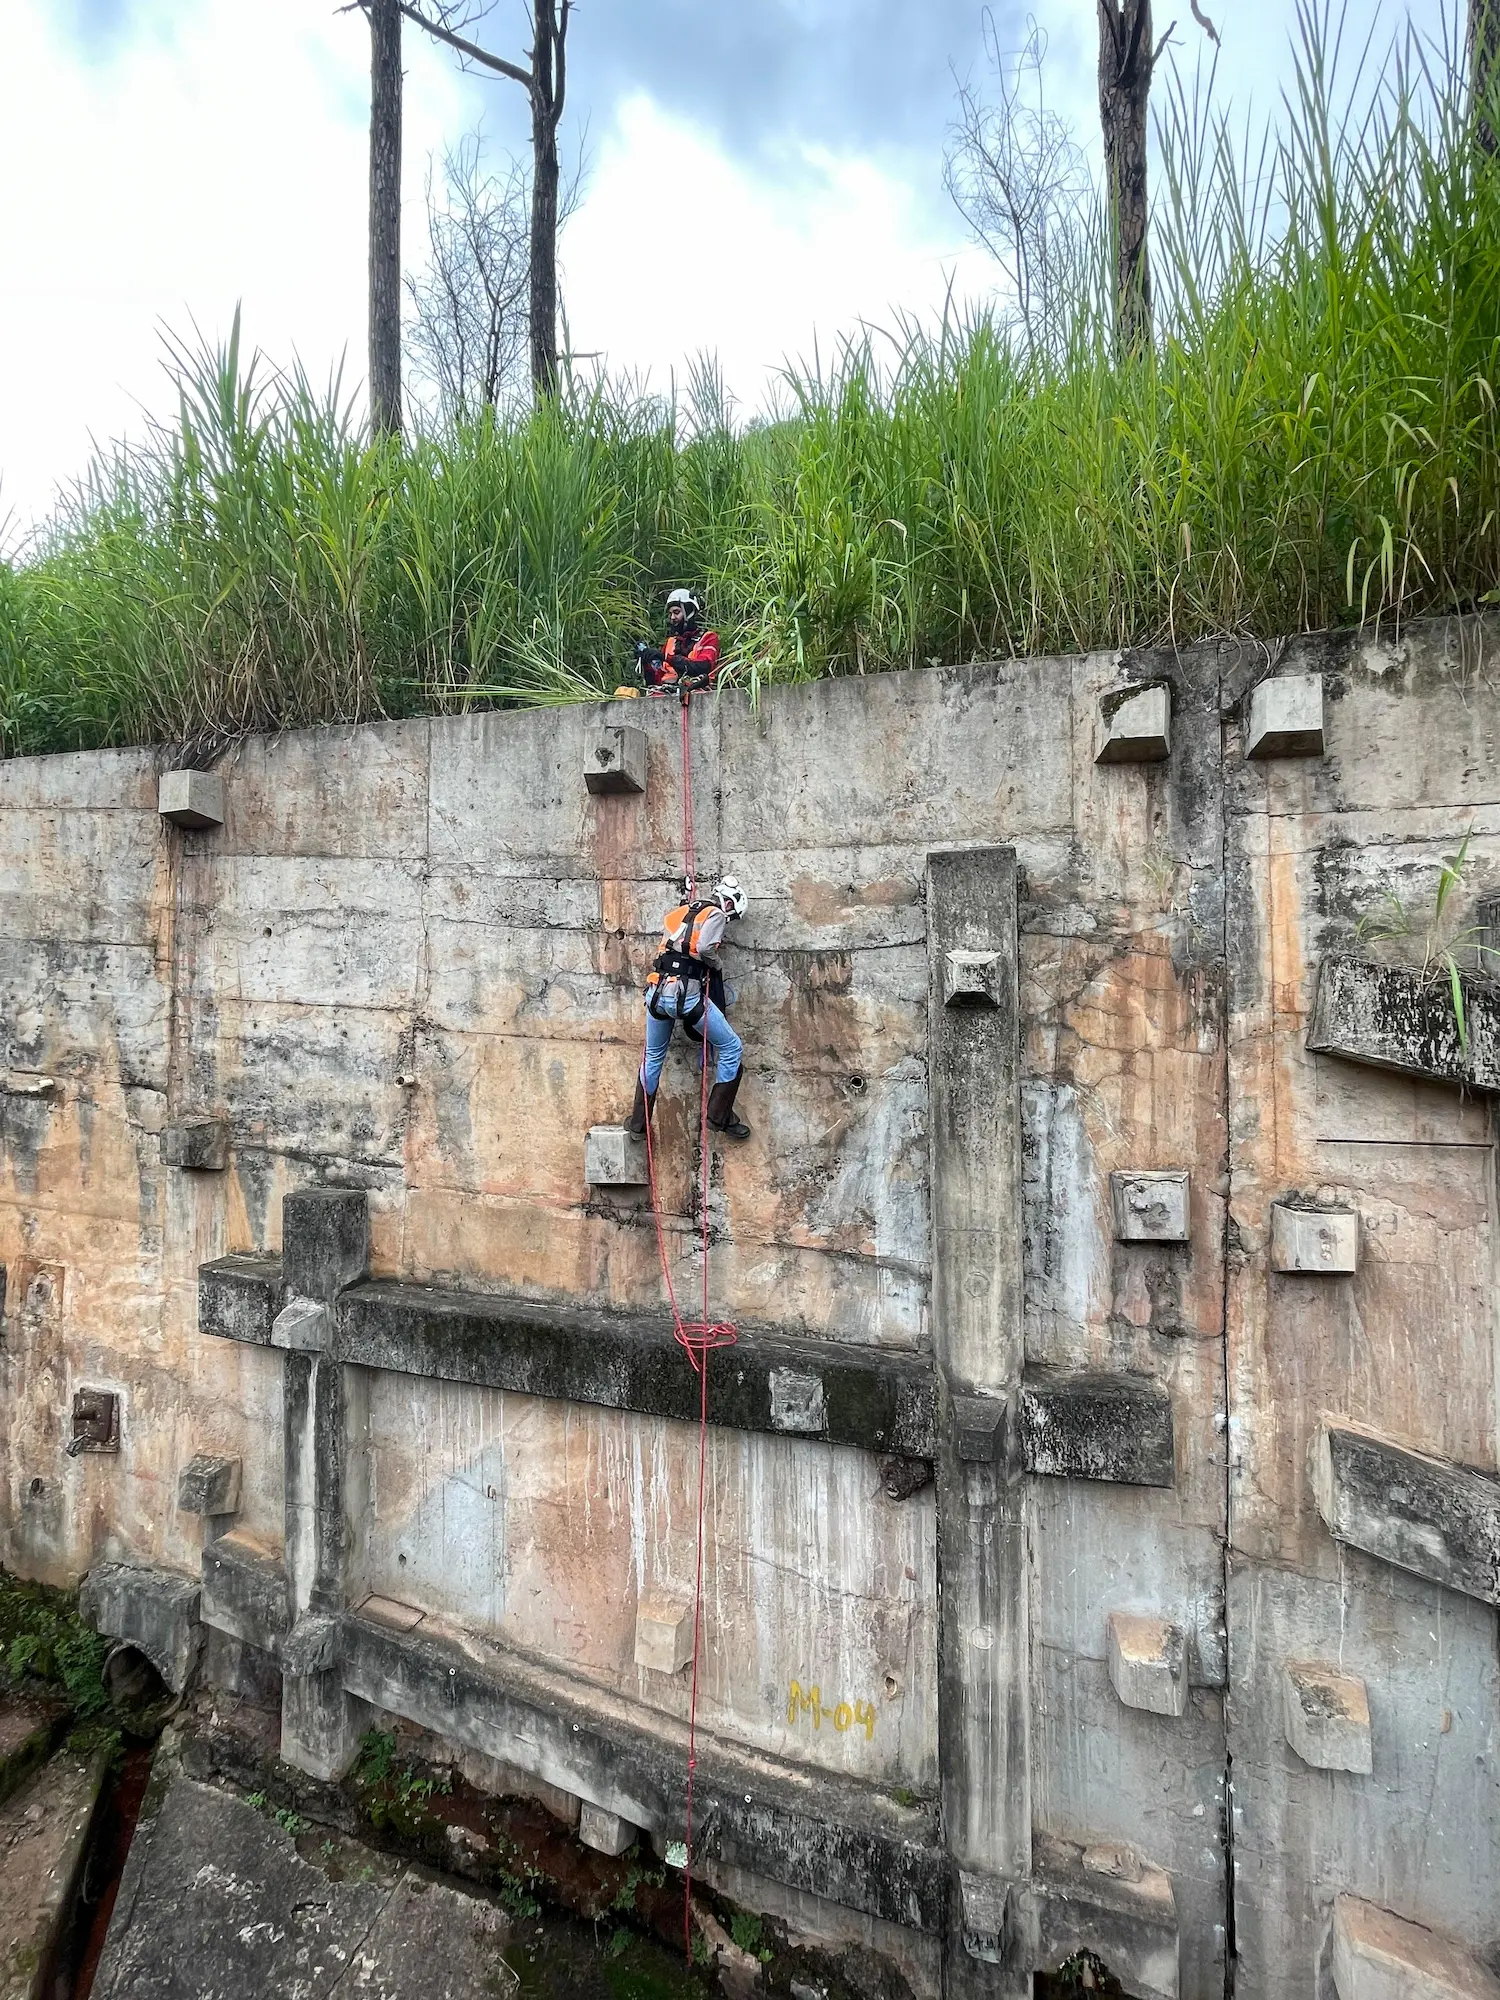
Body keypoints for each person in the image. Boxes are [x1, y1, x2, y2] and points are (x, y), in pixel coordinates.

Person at [628, 875, 750, 1140]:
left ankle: (638, 1124)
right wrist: (716, 964)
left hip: (657, 994)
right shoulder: (716, 914)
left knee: (653, 1057)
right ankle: (719, 1116)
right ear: (730, 904)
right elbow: (705, 948)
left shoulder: (682, 912)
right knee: (731, 1046)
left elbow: (673, 944)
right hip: (687, 998)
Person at [634, 588, 721, 696]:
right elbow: (655, 681)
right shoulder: (671, 642)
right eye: (670, 614)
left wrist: (666, 657)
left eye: (676, 612)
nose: (672, 617)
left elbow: (703, 667)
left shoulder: (708, 638)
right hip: (666, 693)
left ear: (689, 612)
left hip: (697, 692)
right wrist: (647, 662)